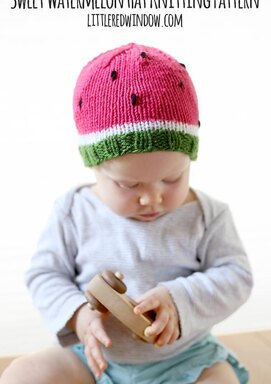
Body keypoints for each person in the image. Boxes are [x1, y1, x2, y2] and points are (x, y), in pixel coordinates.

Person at [1, 43, 253, 384]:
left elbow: (236, 277)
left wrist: (179, 300)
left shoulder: (208, 215)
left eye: (172, 178)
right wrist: (78, 316)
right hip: (93, 359)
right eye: (128, 185)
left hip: (186, 359)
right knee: (23, 374)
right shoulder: (73, 211)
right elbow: (45, 274)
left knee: (221, 379)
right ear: (95, 169)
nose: (152, 198)